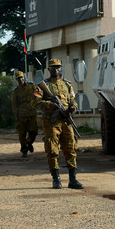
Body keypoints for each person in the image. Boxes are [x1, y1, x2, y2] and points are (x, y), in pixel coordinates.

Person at [33, 59, 84, 189]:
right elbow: (35, 103)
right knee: (52, 150)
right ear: (48, 69)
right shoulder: (43, 85)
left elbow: (72, 100)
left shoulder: (67, 84)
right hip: (51, 122)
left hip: (66, 120)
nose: (56, 70)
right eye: (53, 68)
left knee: (71, 149)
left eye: (58, 67)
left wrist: (73, 107)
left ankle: (73, 180)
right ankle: (56, 179)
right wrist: (50, 105)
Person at [11, 71, 38, 157]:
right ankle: (24, 150)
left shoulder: (31, 86)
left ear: (24, 77)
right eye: (18, 78)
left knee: (34, 131)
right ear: (16, 79)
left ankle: (29, 142)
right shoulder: (16, 91)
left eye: (21, 77)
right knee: (22, 134)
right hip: (21, 115)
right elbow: (14, 105)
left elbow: (37, 96)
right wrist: (17, 117)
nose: (20, 79)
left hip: (31, 113)